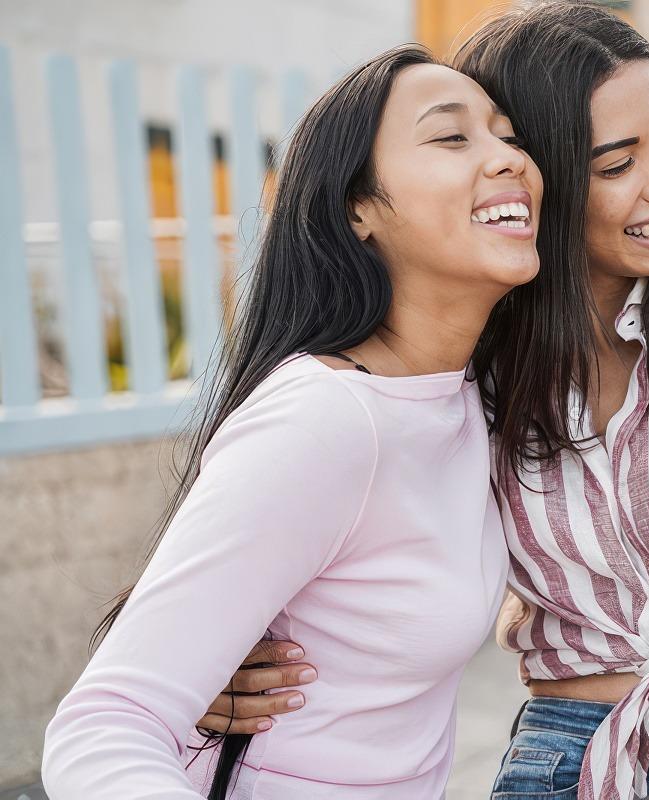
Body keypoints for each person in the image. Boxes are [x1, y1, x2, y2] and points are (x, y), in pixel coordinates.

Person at [203, 4, 649, 798]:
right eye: (614, 165)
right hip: (560, 755)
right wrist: (215, 651)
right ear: (539, 176)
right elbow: (345, 500)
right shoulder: (482, 350)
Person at [42, 45, 543, 799]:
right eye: (451, 137)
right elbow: (105, 726)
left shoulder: (474, 396)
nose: (508, 159)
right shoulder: (326, 418)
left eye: (510, 135)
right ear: (359, 209)